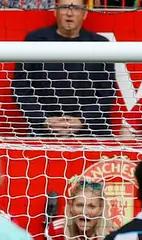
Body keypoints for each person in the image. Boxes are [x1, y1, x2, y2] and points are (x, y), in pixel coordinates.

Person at [11, 0, 115, 137]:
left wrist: (82, 120)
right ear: (55, 11)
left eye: (76, 8)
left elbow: (108, 92)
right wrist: (44, 120)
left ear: (84, 13)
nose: (69, 13)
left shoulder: (100, 44)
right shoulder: (35, 40)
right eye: (65, 7)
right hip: (44, 130)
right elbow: (21, 89)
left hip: (90, 131)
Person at [46, 177, 110, 240]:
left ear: (101, 209)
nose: (84, 212)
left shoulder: (111, 235)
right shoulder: (57, 229)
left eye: (91, 206)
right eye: (79, 205)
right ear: (71, 206)